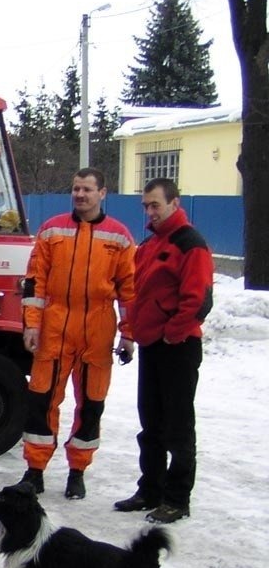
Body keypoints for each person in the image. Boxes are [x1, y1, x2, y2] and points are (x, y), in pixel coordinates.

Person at [18, 167, 136, 500]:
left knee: (92, 405)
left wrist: (128, 333)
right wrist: (32, 324)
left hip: (96, 331)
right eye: (75, 189)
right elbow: (34, 281)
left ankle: (77, 471)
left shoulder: (120, 236)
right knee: (41, 400)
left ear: (103, 193)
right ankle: (34, 472)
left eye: (87, 189)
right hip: (54, 327)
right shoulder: (52, 230)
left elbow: (129, 290)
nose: (80, 195)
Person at [114, 178, 214, 524]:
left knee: (178, 425)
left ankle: (177, 498)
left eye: (155, 205)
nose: (149, 211)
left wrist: (173, 333)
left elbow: (198, 299)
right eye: (146, 205)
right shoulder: (151, 244)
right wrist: (137, 331)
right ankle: (150, 489)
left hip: (178, 347)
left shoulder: (190, 244)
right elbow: (137, 293)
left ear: (174, 203)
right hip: (153, 345)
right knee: (151, 423)